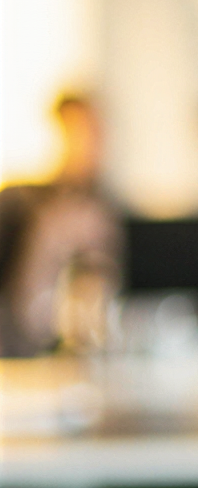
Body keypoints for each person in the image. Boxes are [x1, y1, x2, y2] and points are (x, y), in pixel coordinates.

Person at [0, 92, 121, 358]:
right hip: (20, 356)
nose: (88, 146)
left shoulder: (106, 210)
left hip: (88, 359)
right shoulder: (16, 202)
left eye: (94, 133)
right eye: (78, 133)